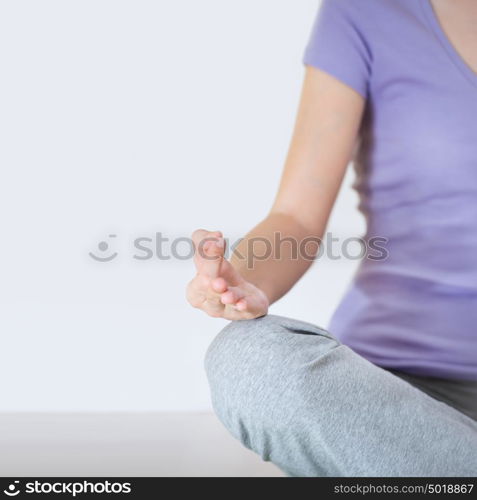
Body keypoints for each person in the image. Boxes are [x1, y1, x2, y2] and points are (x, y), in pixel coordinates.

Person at [186, 0, 477, 476]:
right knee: (248, 360)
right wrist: (243, 279)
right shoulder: (364, 12)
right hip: (394, 393)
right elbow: (296, 215)